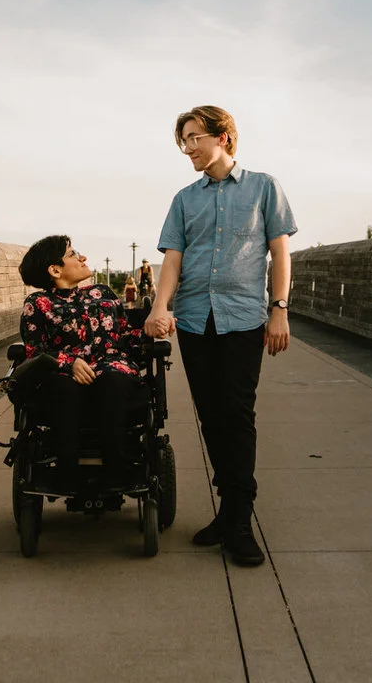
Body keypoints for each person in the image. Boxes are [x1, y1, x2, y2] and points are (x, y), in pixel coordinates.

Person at [144, 105, 296, 567]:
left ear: (223, 137)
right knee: (210, 417)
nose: (188, 148)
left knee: (237, 415)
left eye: (194, 138)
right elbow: (172, 258)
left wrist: (280, 310)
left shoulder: (264, 187)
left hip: (244, 320)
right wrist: (159, 305)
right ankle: (229, 511)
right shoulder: (184, 199)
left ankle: (239, 520)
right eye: (183, 141)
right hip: (194, 321)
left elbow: (279, 253)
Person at [18, 235, 148, 491]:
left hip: (111, 367)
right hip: (63, 375)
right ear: (55, 270)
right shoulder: (38, 304)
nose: (82, 257)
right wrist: (69, 363)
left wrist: (150, 331)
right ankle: (68, 472)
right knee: (64, 388)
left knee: (114, 380)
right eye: (72, 254)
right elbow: (36, 353)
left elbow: (124, 338)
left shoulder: (102, 293)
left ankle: (116, 471)